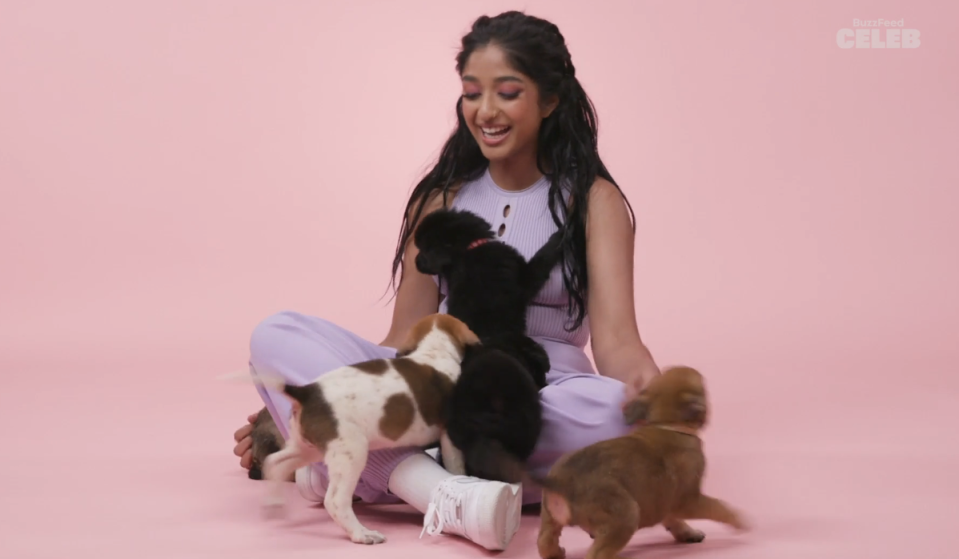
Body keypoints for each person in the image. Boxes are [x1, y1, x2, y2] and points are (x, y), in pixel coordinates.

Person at [231, 10, 661, 551]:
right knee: (276, 334)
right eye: (471, 92)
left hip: (536, 390)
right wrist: (337, 388)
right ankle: (443, 488)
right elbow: (406, 337)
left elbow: (618, 342)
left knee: (614, 417)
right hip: (436, 387)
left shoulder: (594, 202)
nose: (485, 111)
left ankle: (364, 465)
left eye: (507, 93)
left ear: (549, 101)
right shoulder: (441, 197)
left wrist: (654, 398)